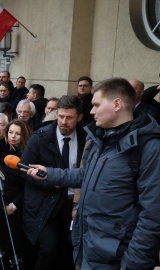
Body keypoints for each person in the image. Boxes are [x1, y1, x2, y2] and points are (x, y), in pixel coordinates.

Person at [26, 78, 160, 270]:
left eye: (96, 104)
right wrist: (50, 174)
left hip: (118, 257)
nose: (91, 111)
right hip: (89, 247)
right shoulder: (99, 138)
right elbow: (86, 176)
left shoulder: (149, 147)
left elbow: (153, 214)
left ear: (117, 104)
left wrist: (133, 263)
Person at [21, 95, 87, 270]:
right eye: (61, 116)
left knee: (69, 250)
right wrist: (50, 182)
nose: (64, 121)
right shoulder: (40, 137)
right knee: (48, 250)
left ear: (79, 117)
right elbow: (24, 170)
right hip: (45, 204)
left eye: (69, 117)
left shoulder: (87, 138)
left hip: (73, 205)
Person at [0, 120, 33, 269]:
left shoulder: (28, 155)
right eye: (10, 132)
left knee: (18, 243)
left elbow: (29, 185)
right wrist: (3, 205)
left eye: (17, 133)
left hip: (19, 205)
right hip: (0, 204)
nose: (13, 136)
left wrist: (14, 205)